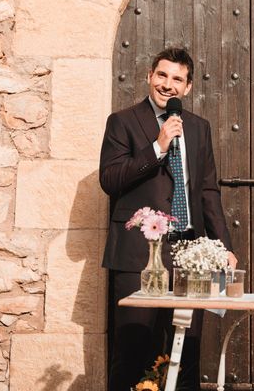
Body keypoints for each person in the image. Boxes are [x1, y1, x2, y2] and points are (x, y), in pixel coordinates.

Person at [100, 48, 237, 391]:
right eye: (162, 75)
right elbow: (110, 179)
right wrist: (157, 147)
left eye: (177, 79)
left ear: (188, 88)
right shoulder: (123, 121)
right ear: (149, 76)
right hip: (138, 257)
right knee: (132, 351)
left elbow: (208, 192)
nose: (168, 85)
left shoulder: (199, 128)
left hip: (190, 256)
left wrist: (223, 248)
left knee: (186, 351)